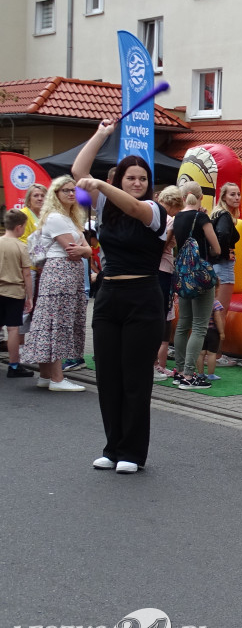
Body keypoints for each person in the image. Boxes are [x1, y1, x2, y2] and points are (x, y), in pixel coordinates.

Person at [73, 122, 169, 474]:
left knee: (135, 379)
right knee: (108, 377)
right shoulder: (105, 209)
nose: (138, 183)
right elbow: (79, 171)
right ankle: (112, 448)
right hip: (109, 296)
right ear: (120, 180)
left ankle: (132, 452)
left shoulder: (156, 212)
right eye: (131, 178)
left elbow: (133, 208)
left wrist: (101, 183)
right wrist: (101, 134)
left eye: (142, 179)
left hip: (143, 298)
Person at [20, 176, 92, 391]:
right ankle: (57, 380)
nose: (71, 194)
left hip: (64, 274)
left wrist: (84, 249)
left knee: (51, 322)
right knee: (57, 323)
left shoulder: (66, 218)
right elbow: (73, 251)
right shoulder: (57, 218)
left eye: (73, 191)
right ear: (56, 194)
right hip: (62, 273)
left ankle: (45, 376)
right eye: (65, 191)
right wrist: (84, 249)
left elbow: (86, 250)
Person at [171, 181, 221, 389]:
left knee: (183, 324)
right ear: (201, 198)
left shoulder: (177, 218)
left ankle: (180, 370)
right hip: (200, 278)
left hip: (183, 276)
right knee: (200, 327)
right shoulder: (201, 217)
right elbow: (217, 248)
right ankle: (190, 376)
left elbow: (170, 242)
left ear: (182, 198)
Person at [210, 182, 242, 366]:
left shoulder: (217, 214)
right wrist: (223, 253)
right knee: (220, 312)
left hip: (217, 266)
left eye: (238, 194)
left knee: (214, 311)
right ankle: (216, 354)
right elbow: (222, 235)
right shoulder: (224, 216)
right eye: (232, 195)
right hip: (223, 267)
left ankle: (211, 352)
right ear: (223, 197)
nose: (236, 197)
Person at [153, 186, 183, 380]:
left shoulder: (154, 214)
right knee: (161, 316)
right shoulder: (169, 219)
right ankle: (155, 365)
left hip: (151, 269)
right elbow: (163, 245)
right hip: (162, 269)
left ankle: (155, 364)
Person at [0, 210, 34, 378]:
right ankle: (13, 366)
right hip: (14, 292)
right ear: (19, 227)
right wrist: (30, 297)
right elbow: (26, 274)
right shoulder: (21, 246)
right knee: (13, 329)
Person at [196, 298, 226, 382]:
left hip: (200, 330)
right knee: (212, 354)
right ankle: (211, 374)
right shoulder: (215, 303)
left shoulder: (199, 301)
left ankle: (200, 373)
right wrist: (221, 332)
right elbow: (217, 318)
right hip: (212, 331)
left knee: (201, 353)